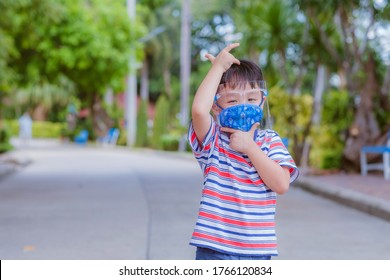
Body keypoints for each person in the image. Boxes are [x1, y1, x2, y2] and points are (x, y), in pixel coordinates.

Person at [187, 43, 299, 260]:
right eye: (232, 100)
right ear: (216, 105)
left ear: (262, 100)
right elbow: (198, 111)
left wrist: (249, 146)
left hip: (257, 252)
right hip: (214, 247)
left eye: (251, 99)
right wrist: (217, 68)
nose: (243, 106)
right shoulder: (213, 140)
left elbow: (281, 184)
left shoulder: (269, 141)